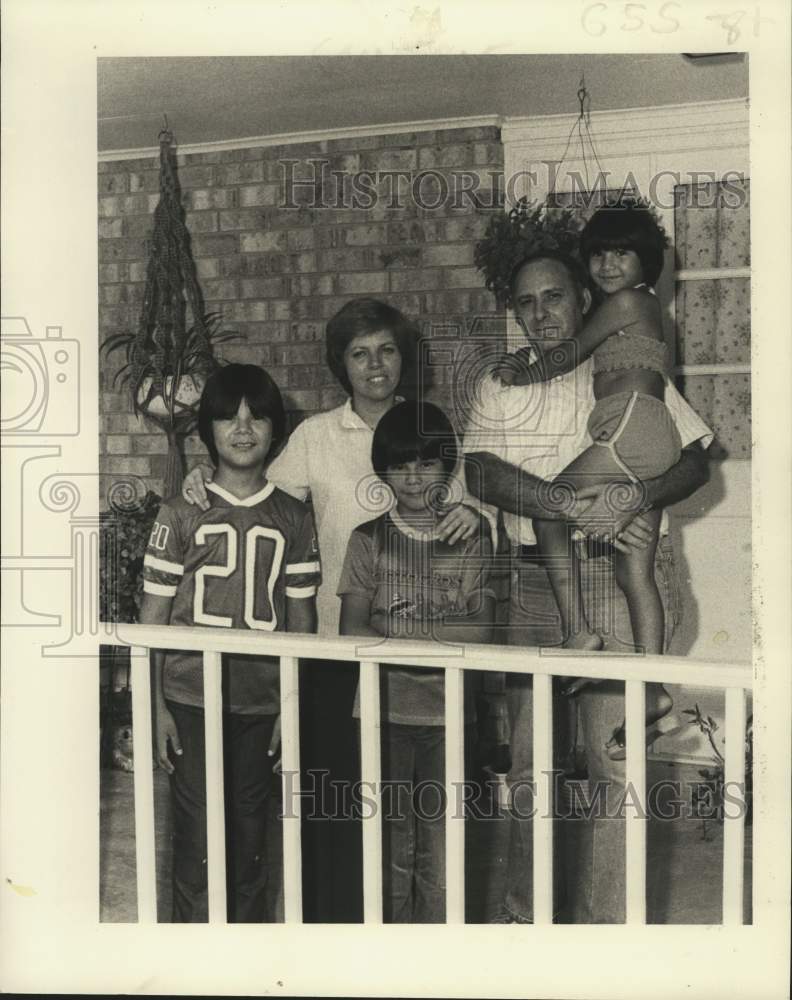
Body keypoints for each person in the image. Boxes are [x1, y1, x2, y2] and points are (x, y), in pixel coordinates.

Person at [181, 298, 485, 921]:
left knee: (412, 812)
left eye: (387, 349)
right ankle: (332, 933)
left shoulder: (429, 429)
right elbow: (254, 493)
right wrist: (197, 478)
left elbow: (463, 512)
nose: (375, 365)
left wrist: (473, 512)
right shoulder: (316, 436)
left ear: (404, 358)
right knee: (336, 800)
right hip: (332, 643)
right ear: (340, 365)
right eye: (359, 353)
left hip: (420, 657)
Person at [463, 250, 713, 923]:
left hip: (612, 576)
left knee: (615, 761)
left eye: (553, 297)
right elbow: (480, 473)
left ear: (582, 300)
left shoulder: (619, 359)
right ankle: (527, 919)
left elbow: (693, 462)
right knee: (528, 762)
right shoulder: (503, 381)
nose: (540, 313)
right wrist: (565, 504)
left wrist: (636, 501)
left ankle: (610, 939)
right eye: (526, 302)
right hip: (534, 584)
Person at [139, 363, 320, 922]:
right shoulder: (178, 511)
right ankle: (191, 960)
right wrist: (154, 706)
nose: (243, 429)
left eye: (257, 416)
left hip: (260, 698)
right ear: (207, 430)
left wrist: (290, 709)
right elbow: (152, 618)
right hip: (191, 696)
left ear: (275, 428)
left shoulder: (293, 516)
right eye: (228, 417)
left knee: (250, 834)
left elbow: (302, 623)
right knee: (195, 837)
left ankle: (248, 960)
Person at [499, 203, 679, 754]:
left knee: (550, 510)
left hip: (630, 428)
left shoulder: (625, 302)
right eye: (598, 254)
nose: (606, 264)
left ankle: (578, 628)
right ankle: (650, 689)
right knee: (636, 572)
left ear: (645, 259)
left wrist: (522, 372)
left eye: (620, 252)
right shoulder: (643, 308)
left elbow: (569, 354)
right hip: (648, 433)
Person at [338, 401, 495, 922]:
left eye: (426, 463)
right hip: (380, 713)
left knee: (442, 845)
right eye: (401, 464)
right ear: (383, 469)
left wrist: (394, 626)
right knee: (389, 843)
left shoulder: (474, 535)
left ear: (447, 467)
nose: (412, 476)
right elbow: (352, 631)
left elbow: (479, 631)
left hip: (449, 716)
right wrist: (435, 635)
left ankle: (436, 961)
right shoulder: (367, 539)